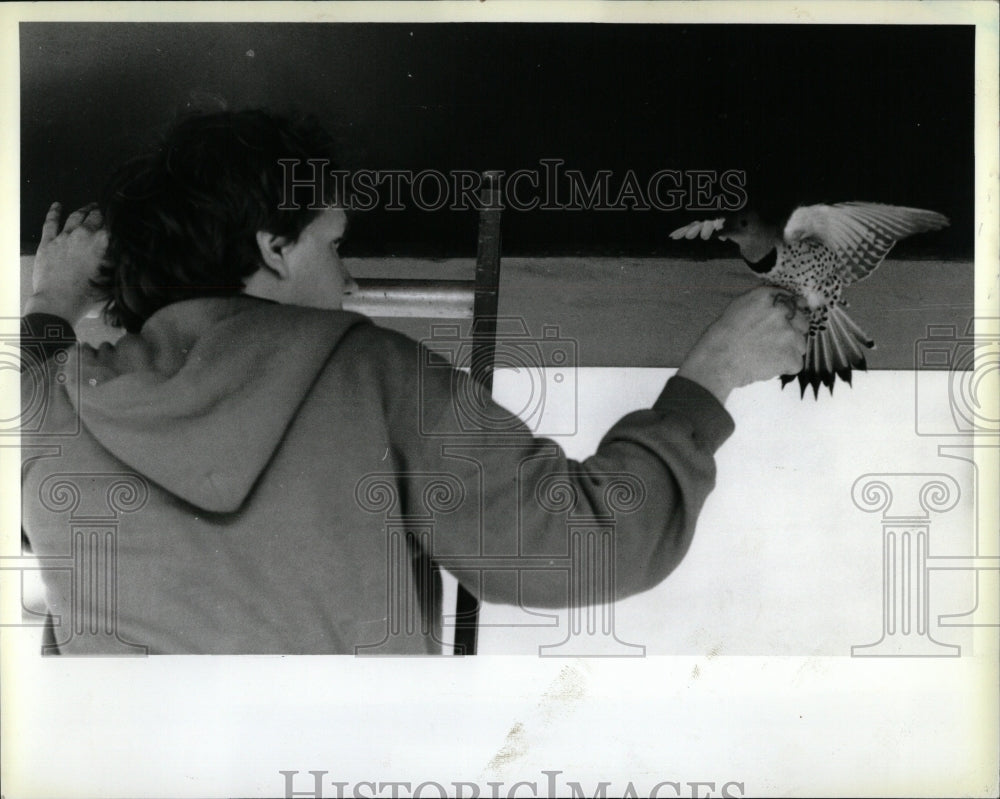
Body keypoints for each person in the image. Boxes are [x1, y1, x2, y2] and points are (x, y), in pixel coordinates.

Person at [20, 108, 809, 655]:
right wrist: (712, 376)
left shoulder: (55, 401)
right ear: (274, 249)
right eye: (334, 244)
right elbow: (589, 543)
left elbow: (41, 363)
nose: (351, 278)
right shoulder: (371, 375)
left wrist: (53, 299)